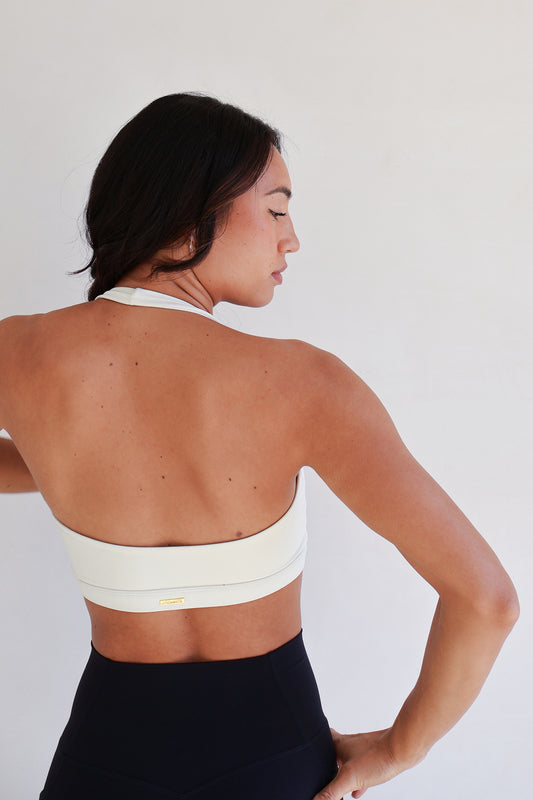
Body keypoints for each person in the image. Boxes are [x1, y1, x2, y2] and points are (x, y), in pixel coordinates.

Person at [0, 93, 519, 800]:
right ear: (189, 212)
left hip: (104, 753)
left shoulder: (18, 353)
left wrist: (59, 458)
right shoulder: (303, 383)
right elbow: (486, 599)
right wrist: (399, 750)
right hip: (273, 755)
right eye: (276, 210)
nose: (291, 239)